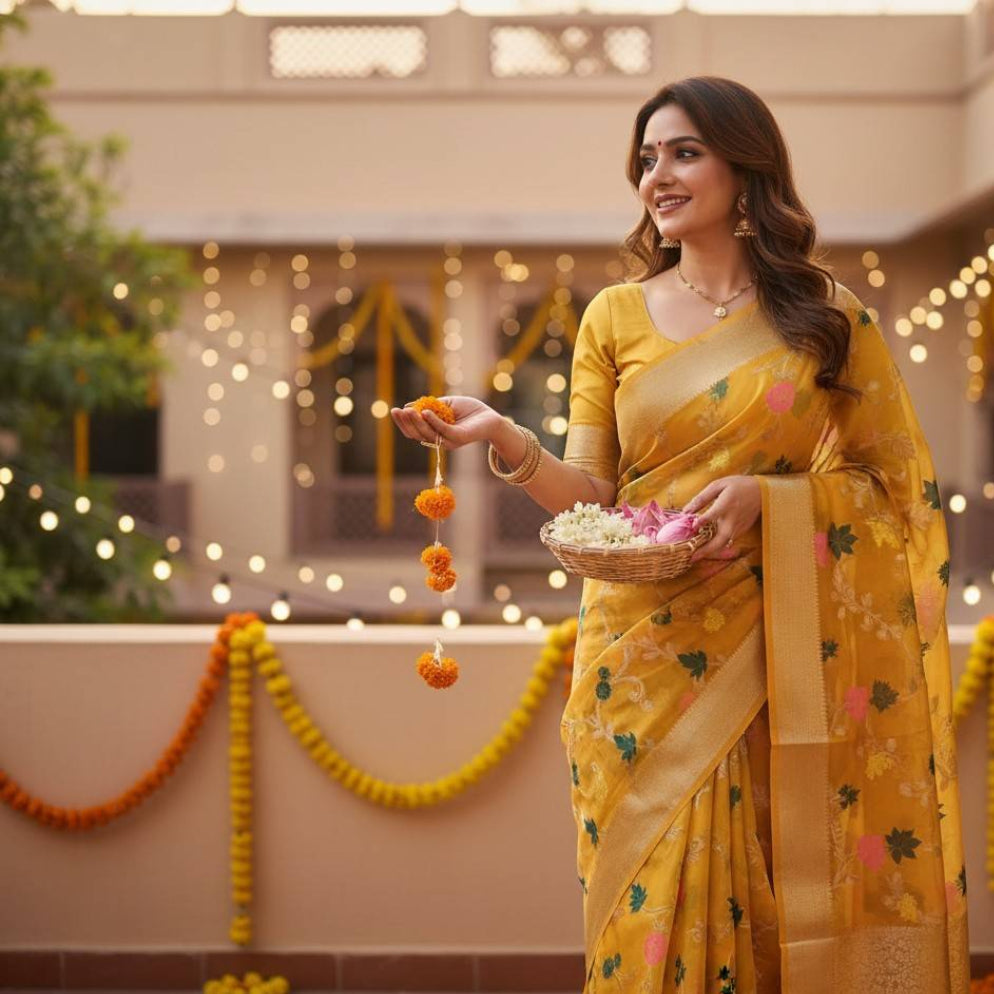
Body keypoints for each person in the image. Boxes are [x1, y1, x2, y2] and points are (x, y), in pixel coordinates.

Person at [390, 75, 969, 994]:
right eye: (647, 157)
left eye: (684, 153)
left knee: (776, 884)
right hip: (635, 659)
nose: (656, 175)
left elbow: (894, 488)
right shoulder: (613, 316)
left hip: (774, 655)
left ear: (747, 169)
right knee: (643, 900)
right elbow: (594, 494)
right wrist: (502, 435)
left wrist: (772, 501)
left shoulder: (826, 317)